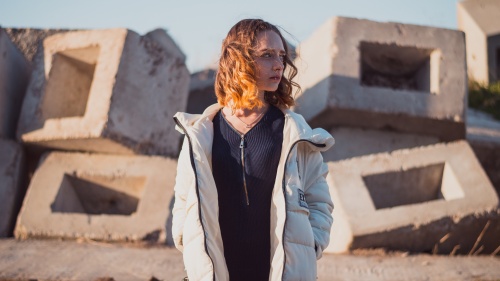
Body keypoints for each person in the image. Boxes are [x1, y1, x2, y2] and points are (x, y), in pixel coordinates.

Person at [172, 18, 334, 281]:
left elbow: (319, 199)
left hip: (280, 271)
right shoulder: (200, 133)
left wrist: (311, 243)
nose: (279, 64)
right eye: (267, 55)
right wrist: (186, 243)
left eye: (282, 56)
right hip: (218, 271)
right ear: (238, 59)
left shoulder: (295, 132)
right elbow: (183, 200)